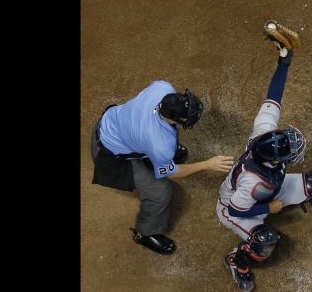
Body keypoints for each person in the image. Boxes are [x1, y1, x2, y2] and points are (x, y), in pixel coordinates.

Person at [217, 21, 312, 292]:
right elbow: (234, 209)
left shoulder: (263, 135)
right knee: (265, 240)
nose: (294, 146)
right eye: (290, 150)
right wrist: (269, 209)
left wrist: (284, 62)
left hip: (270, 191)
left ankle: (274, 209)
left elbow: (273, 96)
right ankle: (237, 261)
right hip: (236, 208)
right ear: (276, 160)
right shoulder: (253, 182)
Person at [91, 82, 234, 255]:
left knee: (166, 149)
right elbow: (172, 173)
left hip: (114, 123)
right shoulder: (160, 143)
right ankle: (144, 234)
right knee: (161, 191)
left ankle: (157, 158)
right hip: (109, 153)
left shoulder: (162, 87)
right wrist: (207, 164)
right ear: (172, 119)